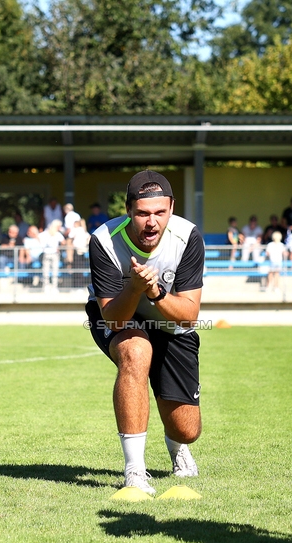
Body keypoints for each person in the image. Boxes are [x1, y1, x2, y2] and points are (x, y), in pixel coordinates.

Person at [86, 170, 204, 496]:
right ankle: (135, 471)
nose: (151, 222)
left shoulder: (188, 236)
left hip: (171, 322)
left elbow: (190, 316)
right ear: (128, 211)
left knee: (187, 429)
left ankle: (176, 446)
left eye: (159, 213)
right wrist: (136, 290)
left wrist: (155, 293)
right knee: (135, 351)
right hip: (120, 318)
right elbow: (113, 319)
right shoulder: (104, 241)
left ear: (172, 208)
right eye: (142, 213)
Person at [39, 219, 64, 292]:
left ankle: (48, 286)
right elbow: (63, 242)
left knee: (47, 270)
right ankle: (53, 287)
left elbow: (39, 237)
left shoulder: (46, 233)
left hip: (48, 253)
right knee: (53, 270)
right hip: (52, 254)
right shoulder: (56, 234)